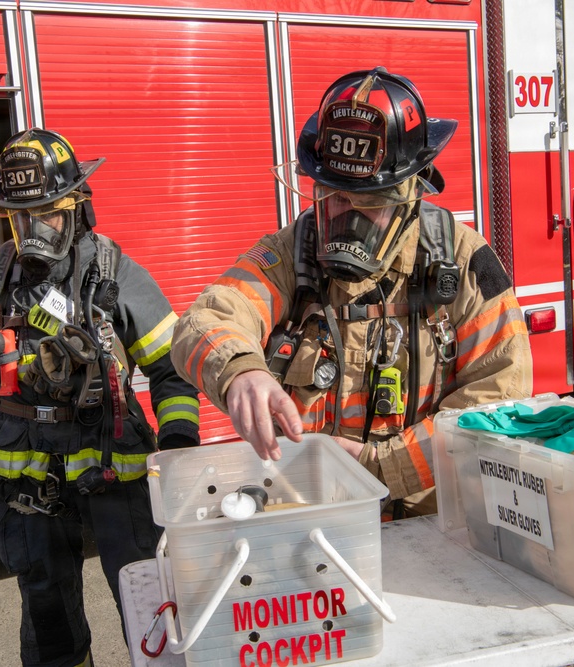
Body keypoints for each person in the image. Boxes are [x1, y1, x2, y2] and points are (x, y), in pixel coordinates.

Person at [171, 67, 531, 517]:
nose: (348, 219)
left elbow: (501, 399)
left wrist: (383, 466)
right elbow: (206, 319)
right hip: (309, 513)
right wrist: (240, 371)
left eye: (371, 203)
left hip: (424, 523)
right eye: (335, 197)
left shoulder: (462, 263)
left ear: (412, 194)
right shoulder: (290, 253)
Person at [0, 128, 200, 667]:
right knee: (46, 608)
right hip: (26, 476)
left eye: (48, 215)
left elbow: (171, 368)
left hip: (112, 466)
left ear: (77, 209)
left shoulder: (114, 275)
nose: (34, 232)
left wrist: (179, 439)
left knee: (146, 593)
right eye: (21, 219)